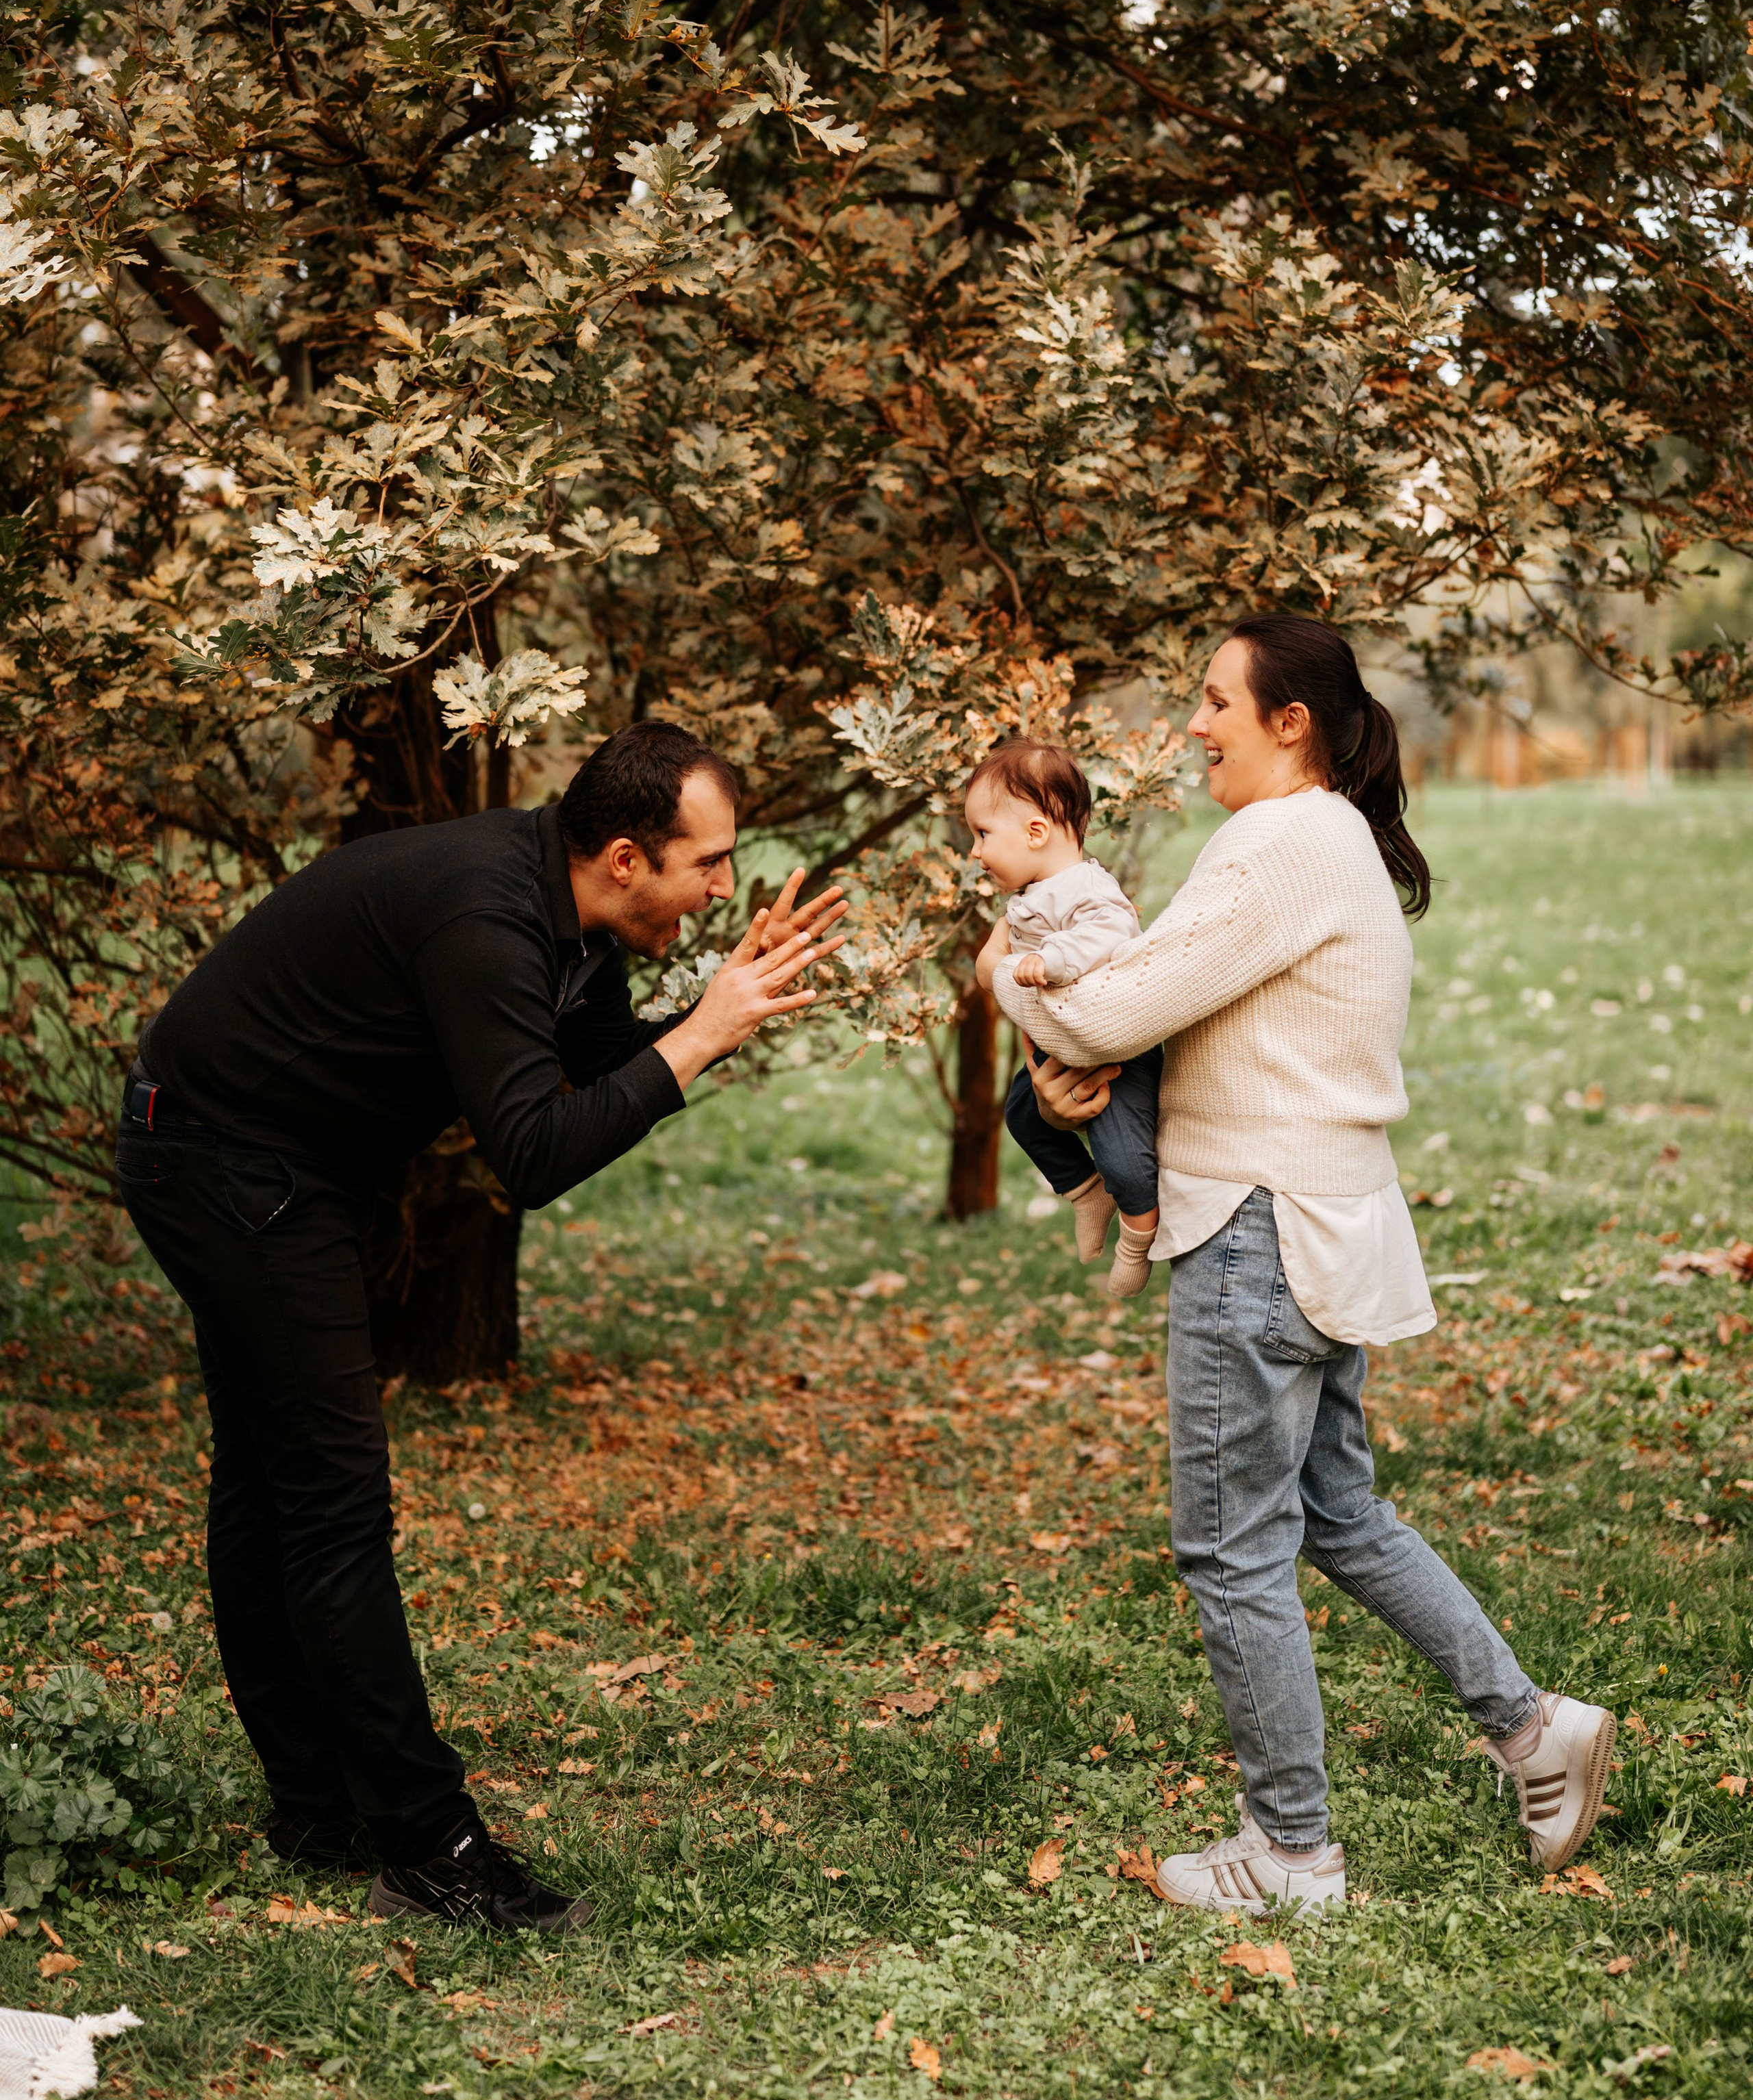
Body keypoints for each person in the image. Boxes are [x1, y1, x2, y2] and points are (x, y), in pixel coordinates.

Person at [115, 723, 843, 1933]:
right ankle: (430, 1846)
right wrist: (705, 1029)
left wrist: (719, 1012)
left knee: (270, 1485)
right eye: (708, 865)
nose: (724, 890)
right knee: (333, 1507)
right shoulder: (486, 920)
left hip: (274, 1167)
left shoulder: (566, 916)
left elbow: (602, 1062)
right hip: (224, 1165)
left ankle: (318, 1807)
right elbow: (536, 1152)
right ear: (623, 856)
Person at [990, 617, 1615, 1916]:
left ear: (1292, 721)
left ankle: (1292, 1854)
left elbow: (1110, 1006)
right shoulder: (1327, 845)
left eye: (1217, 701)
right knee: (1339, 1515)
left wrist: (1010, 980)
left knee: (1232, 1549)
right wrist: (1073, 1089)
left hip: (1257, 1233)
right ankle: (1532, 1727)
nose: (1197, 725)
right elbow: (1162, 1011)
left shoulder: (1282, 841)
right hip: (1321, 1227)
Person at [966, 740, 1163, 1298]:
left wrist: (1047, 961)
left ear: (1035, 833)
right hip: (1057, 1049)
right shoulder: (1032, 893)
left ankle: (1137, 1243)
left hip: (1116, 1058)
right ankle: (1086, 1191)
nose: (975, 853)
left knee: (1126, 1159)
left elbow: (1111, 933)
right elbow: (991, 964)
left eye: (983, 835)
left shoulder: (1087, 888)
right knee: (1023, 1115)